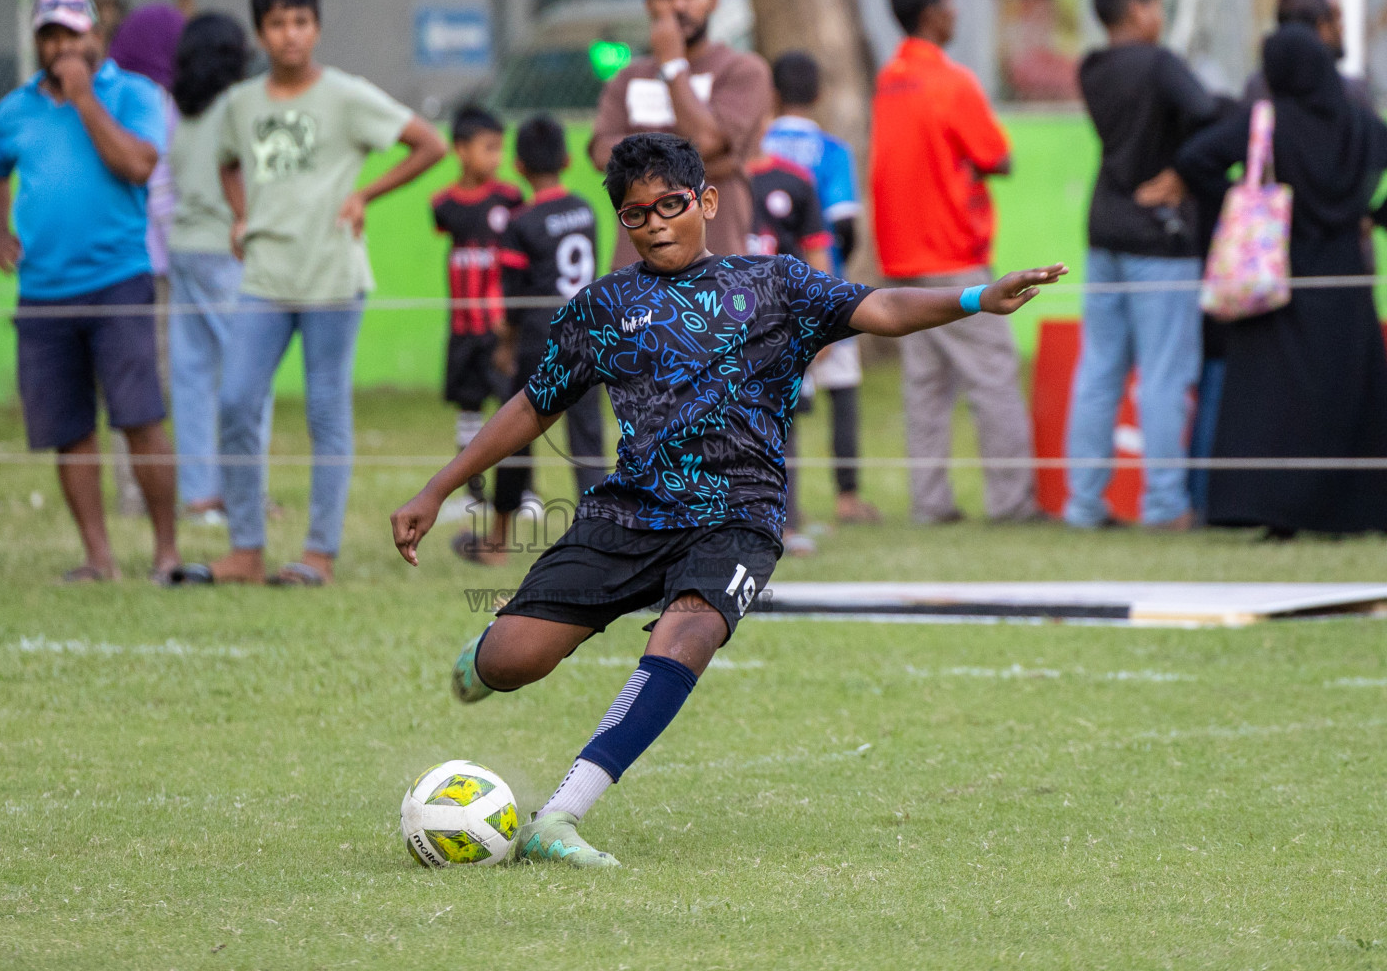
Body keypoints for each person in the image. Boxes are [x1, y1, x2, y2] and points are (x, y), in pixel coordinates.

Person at [390, 132, 1065, 867]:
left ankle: (558, 818)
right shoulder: (604, 306)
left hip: (738, 517)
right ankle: (484, 659)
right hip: (628, 513)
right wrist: (438, 488)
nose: (654, 224)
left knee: (686, 634)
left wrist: (973, 298)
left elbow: (883, 308)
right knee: (517, 660)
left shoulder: (776, 286)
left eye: (670, 205)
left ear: (706, 201)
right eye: (635, 214)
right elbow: (533, 405)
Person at [173, 0, 446, 587]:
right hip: (265, 279)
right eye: (277, 24)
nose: (290, 35)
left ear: (316, 29)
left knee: (326, 413)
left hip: (331, 280)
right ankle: (245, 550)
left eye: (300, 22)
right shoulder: (240, 104)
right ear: (261, 34)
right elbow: (224, 161)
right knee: (237, 401)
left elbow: (429, 145)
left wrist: (364, 196)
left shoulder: (347, 95)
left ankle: (318, 554)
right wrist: (241, 216)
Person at [0, 0, 179, 583]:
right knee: (69, 430)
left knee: (139, 419)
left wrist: (84, 98)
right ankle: (98, 557)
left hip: (118, 282)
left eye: (72, 34)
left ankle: (166, 552)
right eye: (49, 36)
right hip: (43, 292)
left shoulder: (134, 94)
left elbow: (139, 165)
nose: (61, 46)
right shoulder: (16, 108)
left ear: (96, 35)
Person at [1175, 25, 1387, 536]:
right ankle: (1356, 511)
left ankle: (1275, 510)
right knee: (1349, 394)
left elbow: (1194, 158)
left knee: (1276, 400)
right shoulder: (1365, 125)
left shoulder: (1266, 121)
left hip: (1277, 276)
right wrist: (1374, 216)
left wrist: (1238, 195)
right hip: (1346, 278)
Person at [871, 0, 1040, 526]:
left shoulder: (889, 80)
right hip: (956, 261)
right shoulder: (951, 80)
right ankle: (1014, 505)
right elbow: (999, 156)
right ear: (930, 12)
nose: (957, 9)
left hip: (901, 263)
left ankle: (931, 503)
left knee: (925, 389)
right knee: (993, 379)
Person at [1062, 0, 1221, 531]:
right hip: (1161, 234)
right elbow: (1207, 114)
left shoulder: (1092, 67)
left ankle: (1082, 505)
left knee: (1099, 369)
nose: (1160, 16)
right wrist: (1181, 171)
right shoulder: (1159, 62)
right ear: (1136, 11)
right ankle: (1165, 505)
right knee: (1163, 374)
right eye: (1156, 5)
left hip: (1105, 227)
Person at [460, 113, 605, 564]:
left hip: (542, 337)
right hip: (588, 333)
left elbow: (514, 301)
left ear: (518, 166)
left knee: (516, 435)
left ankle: (498, 541)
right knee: (588, 439)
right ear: (566, 158)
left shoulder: (521, 223)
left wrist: (505, 347)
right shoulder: (585, 208)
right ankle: (597, 542)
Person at [760, 50, 883, 526]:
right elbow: (845, 225)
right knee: (842, 386)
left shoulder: (758, 148)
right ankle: (847, 498)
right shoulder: (833, 151)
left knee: (775, 396)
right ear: (819, 94)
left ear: (772, 94)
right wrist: (835, 275)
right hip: (820, 286)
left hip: (764, 293)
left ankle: (783, 505)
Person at [590, 0, 771, 267]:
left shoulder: (742, 70)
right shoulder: (626, 78)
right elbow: (601, 154)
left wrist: (673, 66)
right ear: (649, 5)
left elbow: (711, 143)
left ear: (713, 0)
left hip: (720, 268)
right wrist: (697, 157)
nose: (678, 5)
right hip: (635, 272)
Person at [165, 11, 265, 522]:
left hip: (181, 247)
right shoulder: (240, 105)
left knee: (192, 377)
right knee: (248, 375)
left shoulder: (181, 111)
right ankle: (246, 493)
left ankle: (201, 494)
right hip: (227, 249)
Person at [106, 3, 187, 518]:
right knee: (151, 383)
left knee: (133, 383)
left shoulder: (114, 97)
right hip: (159, 266)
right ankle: (146, 494)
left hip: (131, 263)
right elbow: (159, 190)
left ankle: (143, 492)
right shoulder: (153, 100)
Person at [431, 106, 525, 511]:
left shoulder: (510, 198)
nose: (497, 157)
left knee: (514, 407)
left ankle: (521, 492)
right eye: (488, 148)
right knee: (468, 408)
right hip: (462, 325)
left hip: (499, 325)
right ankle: (471, 493)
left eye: (500, 148)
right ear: (461, 150)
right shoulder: (443, 204)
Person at [745, 149, 833, 555]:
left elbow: (817, 253)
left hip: (781, 325)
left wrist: (824, 324)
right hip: (721, 327)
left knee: (783, 424)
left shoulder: (793, 179)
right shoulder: (700, 181)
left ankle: (785, 523)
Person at [1242, 0, 1371, 109]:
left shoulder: (1257, 91)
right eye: (1337, 18)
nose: (1342, 28)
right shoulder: (1350, 96)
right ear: (1322, 28)